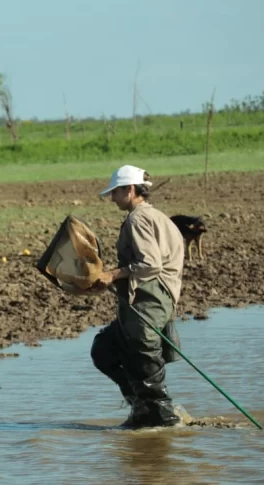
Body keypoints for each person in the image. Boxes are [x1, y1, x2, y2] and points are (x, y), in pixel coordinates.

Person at [89, 165, 185, 428]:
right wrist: (115, 277)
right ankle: (141, 405)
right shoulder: (157, 216)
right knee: (105, 350)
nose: (112, 198)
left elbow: (150, 264)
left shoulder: (137, 219)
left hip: (151, 298)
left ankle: (162, 415)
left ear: (129, 190)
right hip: (150, 297)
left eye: (115, 192)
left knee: (144, 353)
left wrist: (113, 273)